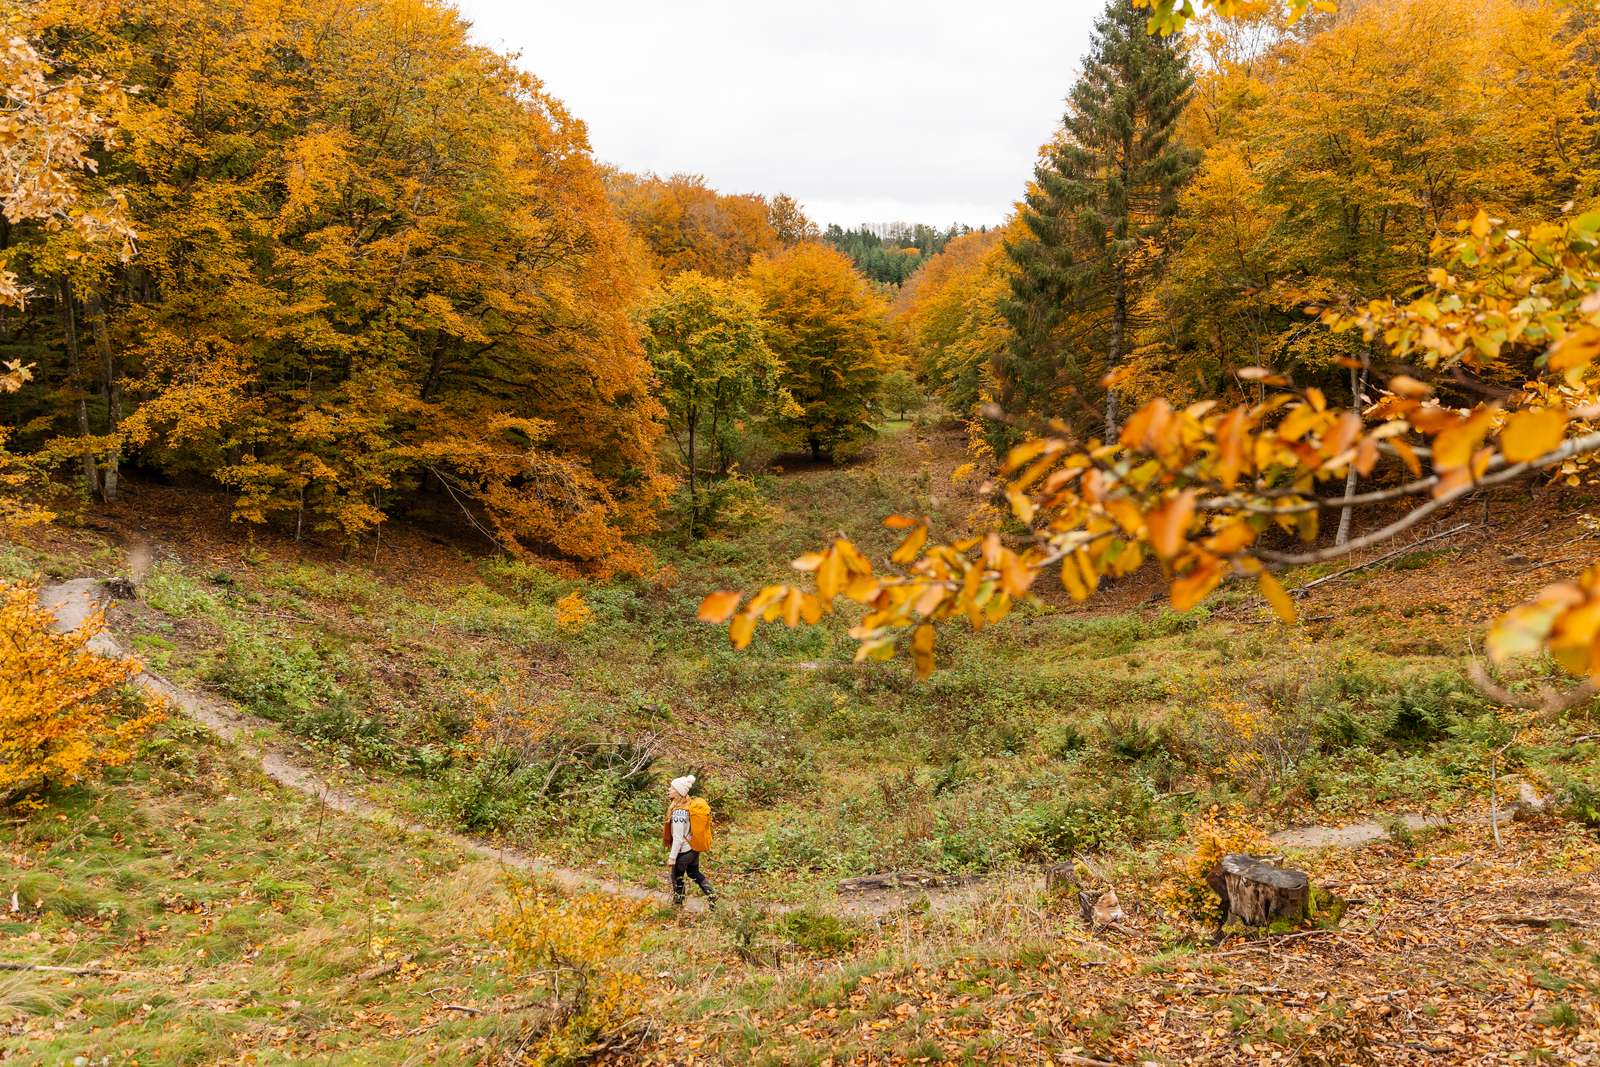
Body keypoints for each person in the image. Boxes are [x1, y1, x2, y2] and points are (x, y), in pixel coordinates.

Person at [663, 774, 715, 908]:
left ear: (679, 792)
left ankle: (678, 905)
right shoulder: (688, 807)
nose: (669, 790)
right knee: (693, 873)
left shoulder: (678, 813)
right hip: (693, 848)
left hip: (684, 851)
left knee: (677, 877)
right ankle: (711, 894)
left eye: (672, 788)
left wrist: (672, 857)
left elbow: (678, 838)